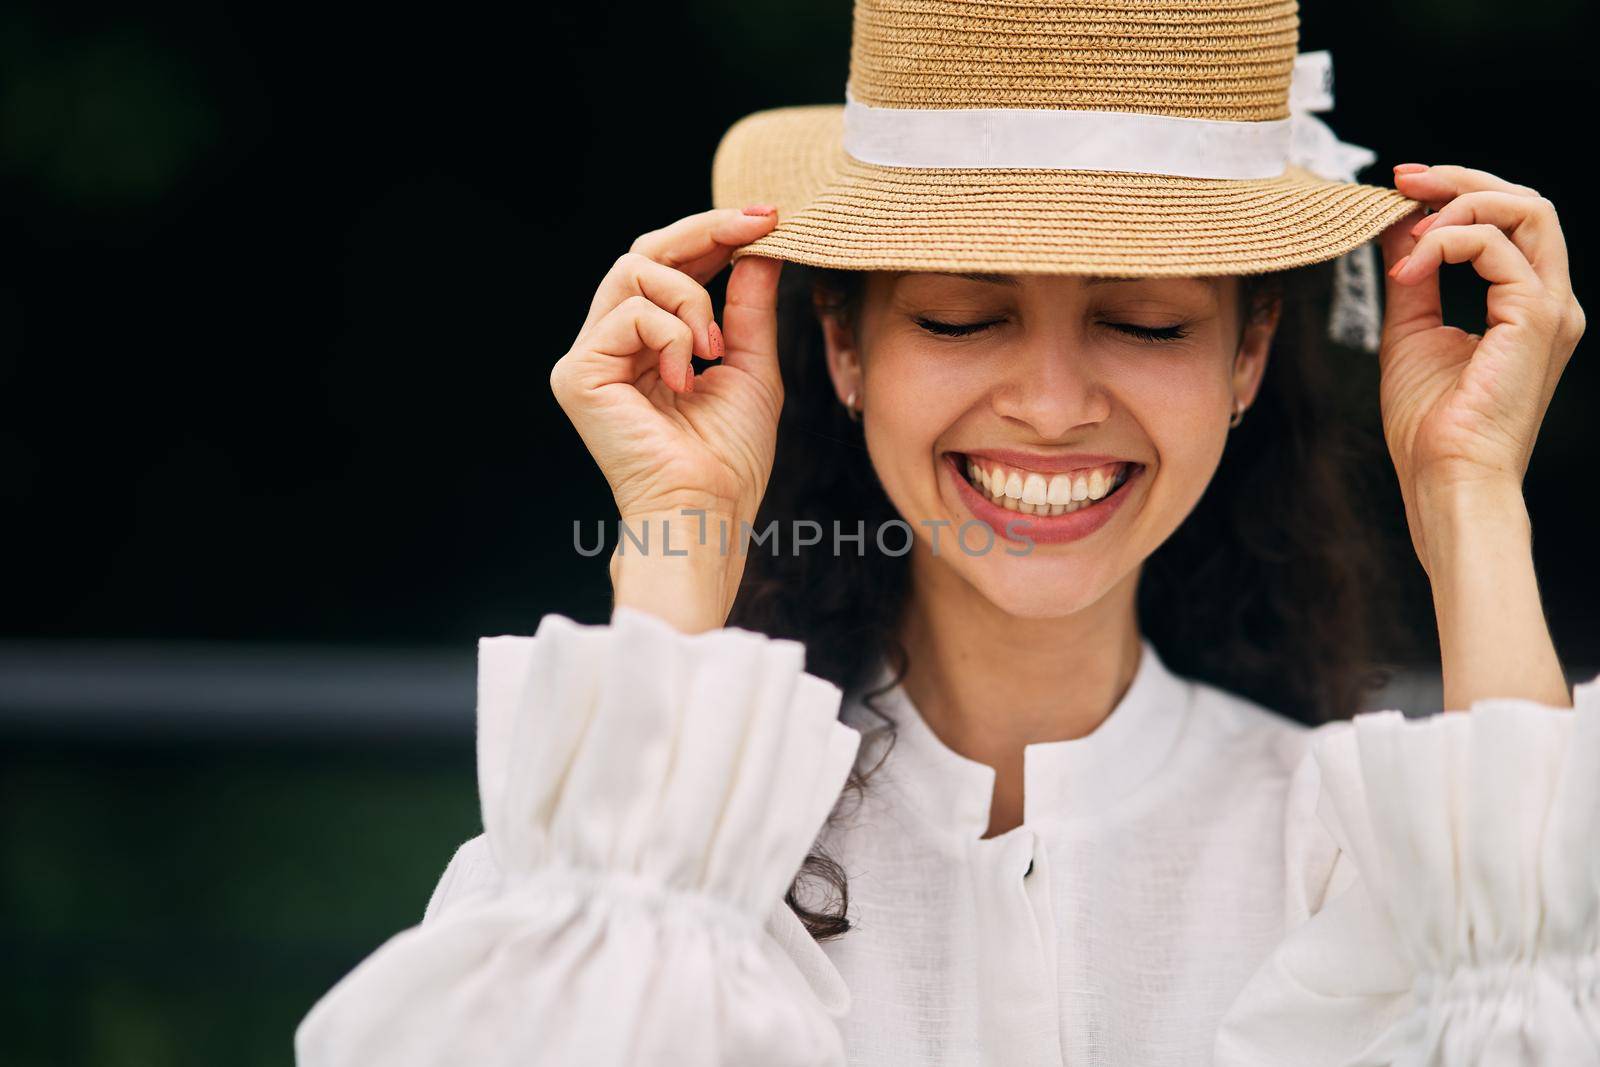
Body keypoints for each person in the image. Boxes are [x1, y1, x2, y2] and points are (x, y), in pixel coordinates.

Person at [296, 1, 1596, 1064]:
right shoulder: (689, 845)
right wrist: (683, 520)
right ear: (842, 346)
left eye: (1145, 325)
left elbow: (1536, 1010)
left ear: (1250, 355)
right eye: (963, 319)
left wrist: (1470, 488)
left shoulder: (1335, 853)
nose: (1047, 404)